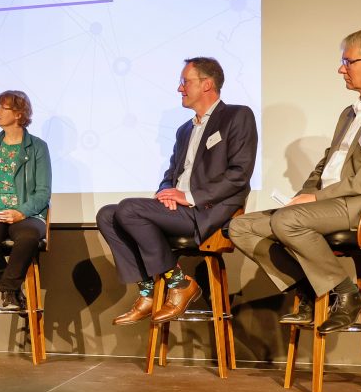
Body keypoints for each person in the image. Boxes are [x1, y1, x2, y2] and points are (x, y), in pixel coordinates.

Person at [230, 28, 361, 333]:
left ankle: (346, 293)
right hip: (329, 202)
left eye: (348, 61)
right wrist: (306, 193)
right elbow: (327, 162)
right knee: (240, 227)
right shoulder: (350, 112)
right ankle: (307, 289)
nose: (340, 68)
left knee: (288, 222)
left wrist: (316, 199)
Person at [97, 57, 257, 325]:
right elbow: (170, 175)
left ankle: (179, 283)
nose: (180, 88)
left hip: (207, 211)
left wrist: (189, 197)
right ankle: (149, 290)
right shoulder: (185, 130)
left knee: (128, 208)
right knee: (107, 214)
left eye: (185, 82)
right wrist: (165, 193)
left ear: (207, 84)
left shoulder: (237, 116)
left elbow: (239, 175)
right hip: (178, 210)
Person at [0, 90, 51, 310]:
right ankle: (12, 293)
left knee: (27, 237)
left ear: (18, 114)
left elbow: (43, 192)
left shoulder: (37, 147)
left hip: (27, 213)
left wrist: (21, 212)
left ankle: (8, 290)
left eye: (2, 108)